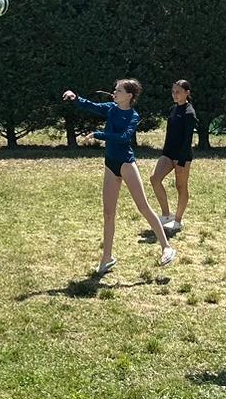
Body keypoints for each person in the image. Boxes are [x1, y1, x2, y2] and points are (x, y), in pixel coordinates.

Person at [62, 79, 177, 275]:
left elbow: (124, 138)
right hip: (110, 164)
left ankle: (166, 247)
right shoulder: (111, 108)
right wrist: (75, 98)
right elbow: (91, 106)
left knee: (143, 207)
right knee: (108, 213)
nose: (114, 92)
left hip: (126, 164)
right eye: (115, 90)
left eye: (119, 90)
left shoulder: (133, 115)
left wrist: (98, 135)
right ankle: (106, 258)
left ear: (129, 96)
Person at [150, 79, 198, 235]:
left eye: (178, 92)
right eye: (173, 92)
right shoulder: (173, 109)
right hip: (168, 153)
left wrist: (182, 161)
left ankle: (177, 221)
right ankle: (166, 215)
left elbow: (187, 139)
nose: (174, 95)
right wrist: (165, 153)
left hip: (182, 155)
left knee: (181, 186)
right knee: (154, 179)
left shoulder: (189, 113)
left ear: (187, 93)